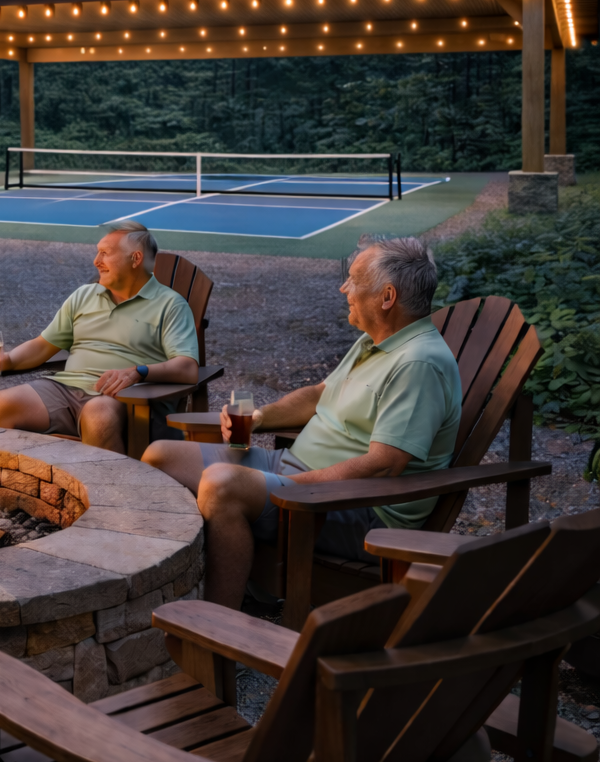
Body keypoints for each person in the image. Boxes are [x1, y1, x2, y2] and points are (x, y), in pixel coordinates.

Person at [142, 236, 460, 609]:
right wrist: (259, 418)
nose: (345, 288)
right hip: (299, 473)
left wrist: (290, 488)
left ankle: (216, 628)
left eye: (355, 280)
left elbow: (384, 464)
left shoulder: (418, 363)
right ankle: (181, 583)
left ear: (387, 297)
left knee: (220, 485)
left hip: (358, 507)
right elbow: (318, 394)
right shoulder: (375, 341)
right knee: (158, 455)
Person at [0, 222, 199, 453]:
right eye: (97, 252)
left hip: (124, 398)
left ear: (135, 259)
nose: (96, 261)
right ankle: (6, 486)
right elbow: (43, 345)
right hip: (65, 389)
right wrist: (8, 360)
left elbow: (187, 368)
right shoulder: (84, 295)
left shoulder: (170, 304)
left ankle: (111, 489)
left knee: (97, 415)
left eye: (105, 253)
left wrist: (138, 372)